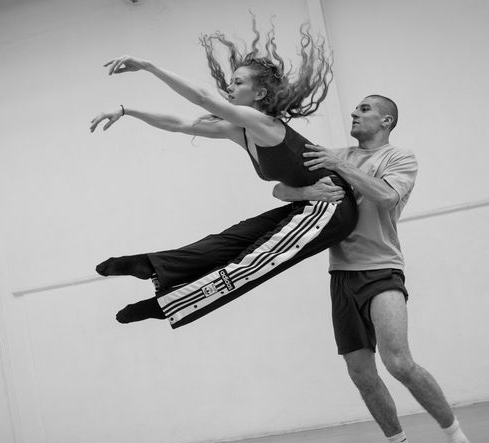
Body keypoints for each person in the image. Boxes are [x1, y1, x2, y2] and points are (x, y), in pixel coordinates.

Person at [89, 20, 357, 328]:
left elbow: (204, 98)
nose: (230, 87)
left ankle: (170, 304)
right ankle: (154, 266)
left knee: (258, 257)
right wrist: (127, 111)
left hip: (333, 208)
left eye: (239, 82)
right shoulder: (238, 130)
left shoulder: (263, 124)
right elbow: (180, 124)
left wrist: (149, 66)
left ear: (259, 93)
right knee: (232, 239)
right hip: (309, 203)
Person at [273, 95, 473, 443]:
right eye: (354, 110)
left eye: (363, 110)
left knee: (398, 362)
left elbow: (385, 197)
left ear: (386, 120)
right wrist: (307, 193)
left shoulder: (399, 157)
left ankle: (458, 440)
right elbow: (279, 190)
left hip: (381, 268)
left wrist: (339, 166)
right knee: (360, 371)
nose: (354, 113)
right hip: (341, 273)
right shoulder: (334, 153)